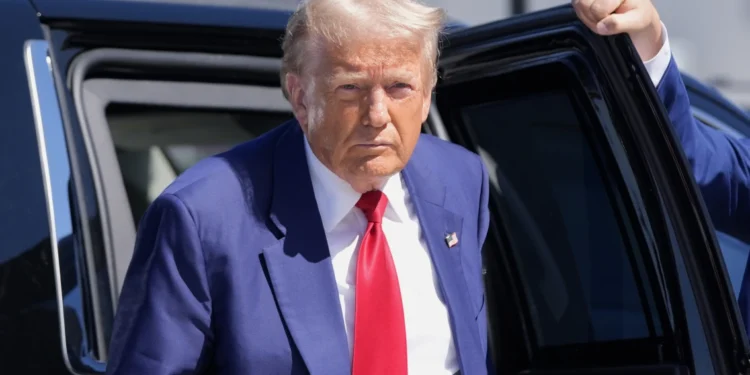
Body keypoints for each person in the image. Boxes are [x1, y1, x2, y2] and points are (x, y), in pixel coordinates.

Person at [105, 0, 682, 374]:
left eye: (401, 87)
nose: (378, 114)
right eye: (352, 88)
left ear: (429, 92)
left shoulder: (461, 181)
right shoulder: (204, 214)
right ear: (300, 95)